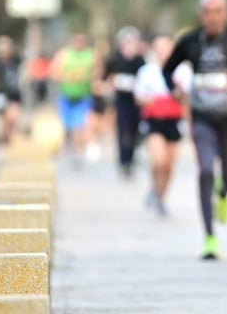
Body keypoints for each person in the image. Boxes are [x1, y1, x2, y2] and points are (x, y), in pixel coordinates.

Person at [162, 0, 227, 260]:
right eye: (207, 12)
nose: (213, 17)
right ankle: (209, 237)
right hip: (202, 117)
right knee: (204, 170)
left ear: (226, 14)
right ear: (200, 15)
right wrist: (175, 90)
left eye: (218, 11)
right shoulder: (190, 41)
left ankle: (224, 191)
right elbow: (167, 70)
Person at [133, 34, 190, 216]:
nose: (162, 52)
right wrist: (148, 100)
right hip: (154, 120)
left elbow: (188, 98)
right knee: (158, 160)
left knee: (169, 165)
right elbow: (138, 97)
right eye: (158, 48)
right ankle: (154, 187)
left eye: (166, 48)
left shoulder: (182, 70)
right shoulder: (147, 71)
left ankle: (161, 197)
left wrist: (179, 93)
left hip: (174, 120)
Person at [103, 26, 145, 178]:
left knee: (135, 132)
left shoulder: (140, 60)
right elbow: (105, 78)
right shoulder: (115, 59)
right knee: (122, 131)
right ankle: (123, 161)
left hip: (137, 102)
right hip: (121, 101)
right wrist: (110, 83)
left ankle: (131, 158)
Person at [51, 33, 97, 164]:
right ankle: (69, 145)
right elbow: (54, 71)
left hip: (83, 96)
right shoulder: (64, 54)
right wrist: (68, 78)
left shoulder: (90, 54)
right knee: (66, 125)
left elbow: (97, 72)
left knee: (80, 124)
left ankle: (79, 150)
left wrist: (89, 79)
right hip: (66, 95)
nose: (78, 43)